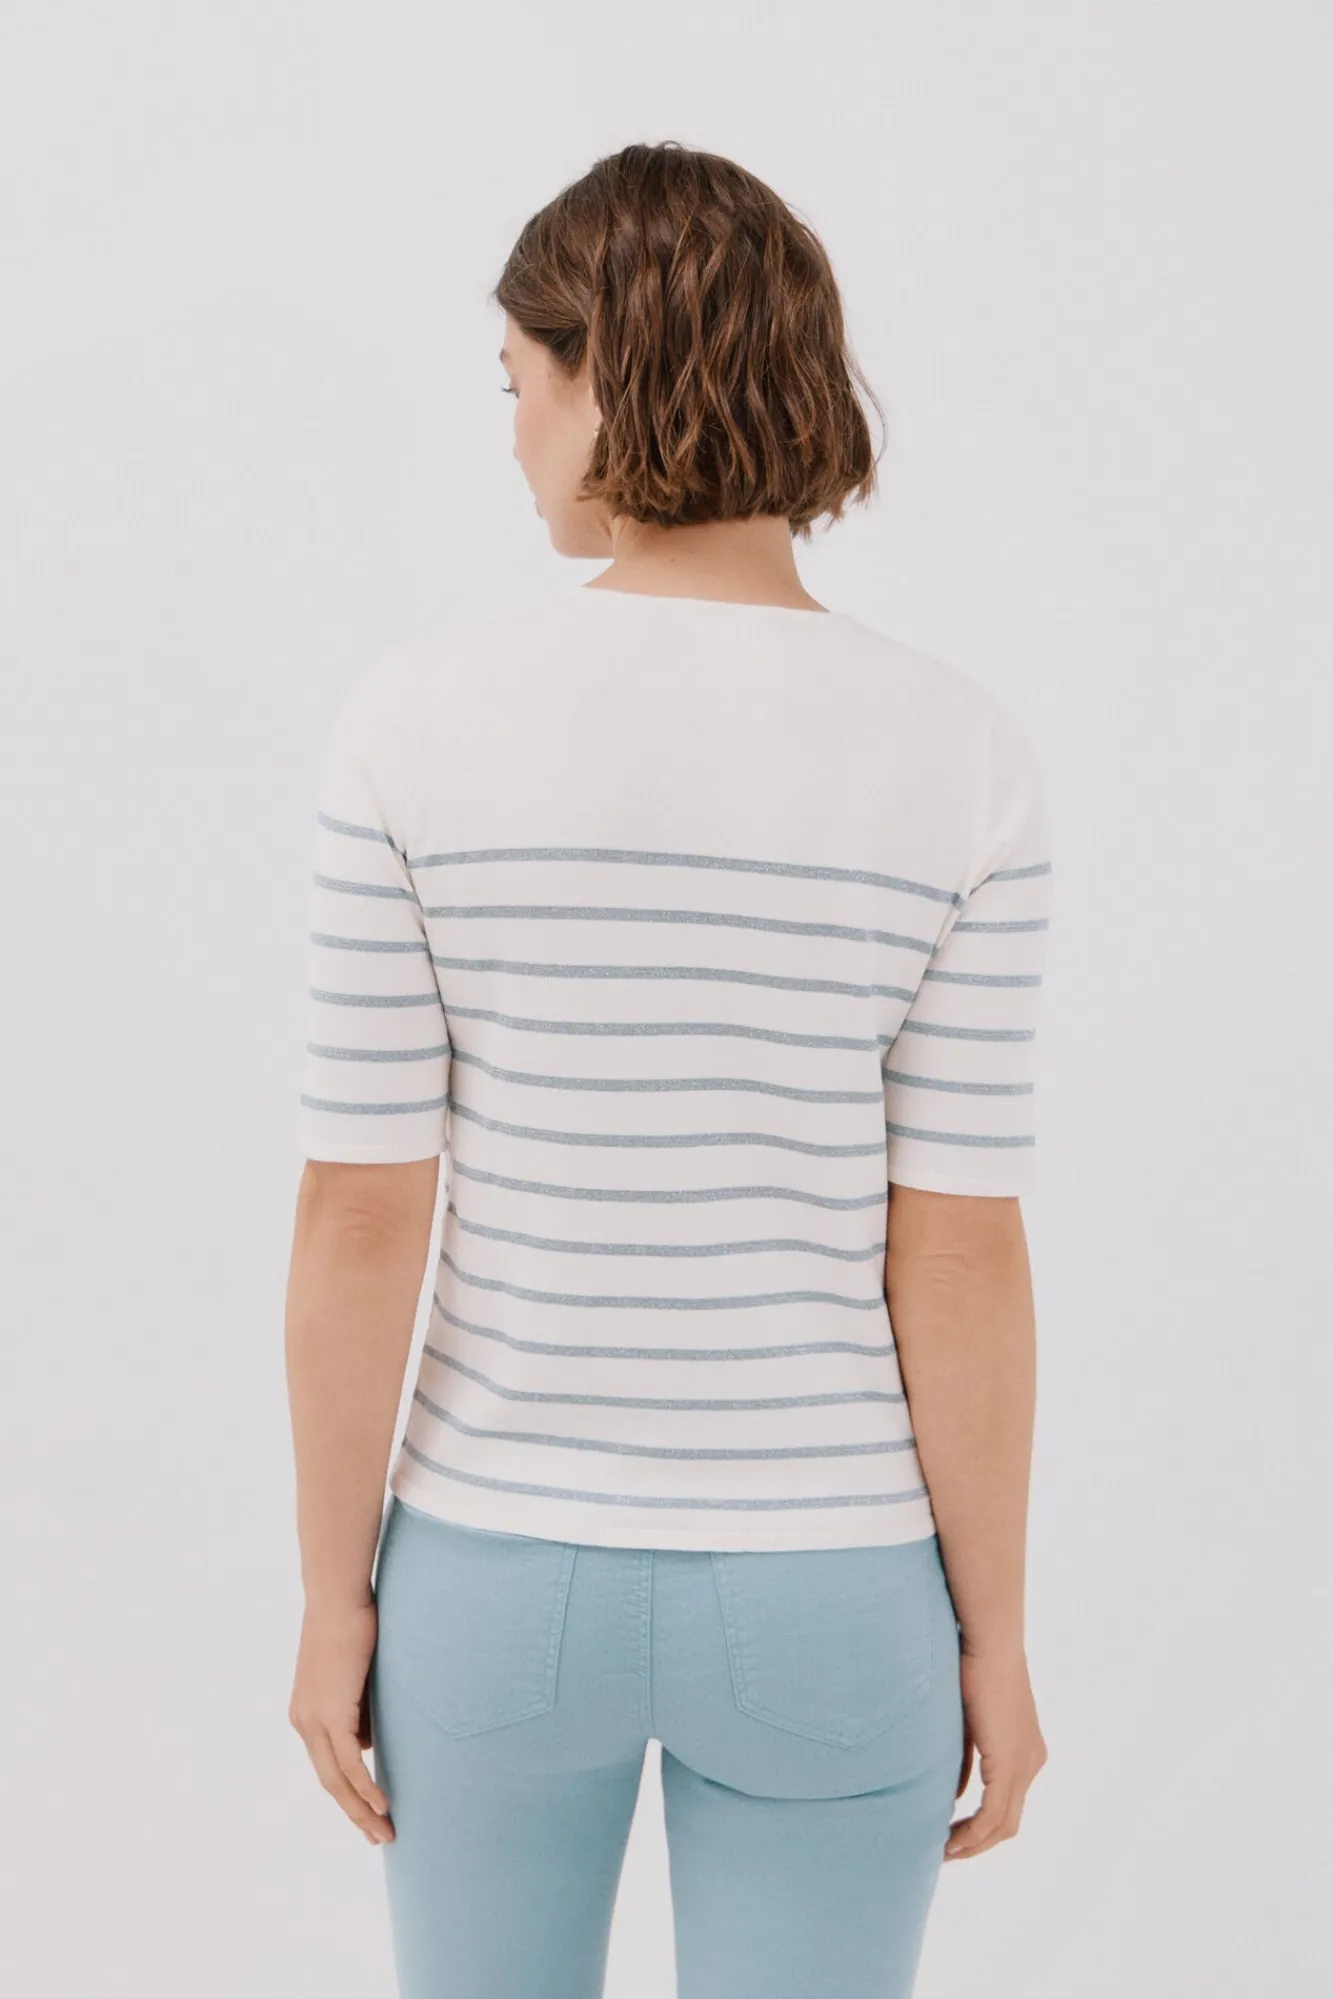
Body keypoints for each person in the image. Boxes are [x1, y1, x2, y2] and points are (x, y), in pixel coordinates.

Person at [284, 140, 1051, 1999]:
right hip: (834, 1587)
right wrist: (997, 1634)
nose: (513, 437)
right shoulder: (961, 753)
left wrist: (330, 1596)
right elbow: (956, 1251)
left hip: (490, 1580)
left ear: (604, 372)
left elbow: (363, 1216)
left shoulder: (412, 727)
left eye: (518, 383)